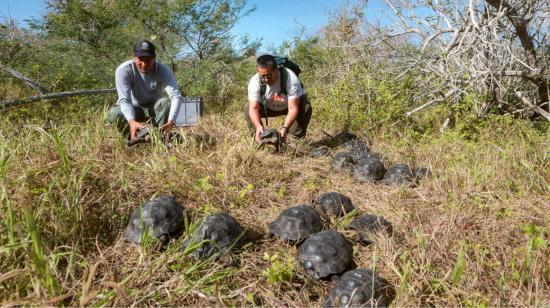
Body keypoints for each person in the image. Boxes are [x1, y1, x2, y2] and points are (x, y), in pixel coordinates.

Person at [106, 39, 182, 140]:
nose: (144, 64)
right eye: (140, 59)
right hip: (134, 108)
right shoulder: (123, 70)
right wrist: (131, 121)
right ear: (133, 57)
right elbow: (125, 100)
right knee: (115, 113)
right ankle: (131, 137)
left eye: (148, 60)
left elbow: (175, 96)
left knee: (166, 102)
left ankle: (158, 136)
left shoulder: (163, 69)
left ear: (154, 57)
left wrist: (171, 121)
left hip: (154, 108)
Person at [245, 54, 312, 143]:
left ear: (276, 69)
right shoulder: (254, 81)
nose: (265, 79)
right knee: (247, 107)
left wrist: (285, 128)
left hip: (287, 107)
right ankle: (259, 139)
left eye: (269, 75)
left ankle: (294, 140)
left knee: (305, 106)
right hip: (267, 108)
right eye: (262, 76)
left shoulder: (290, 78)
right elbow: (254, 109)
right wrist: (258, 126)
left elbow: (293, 108)